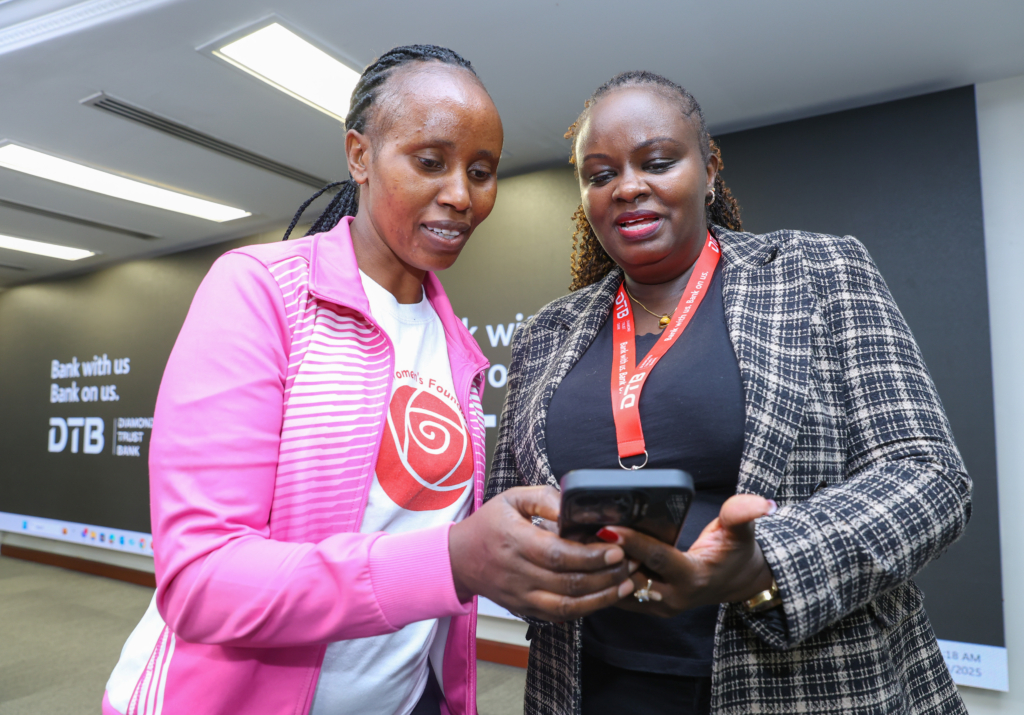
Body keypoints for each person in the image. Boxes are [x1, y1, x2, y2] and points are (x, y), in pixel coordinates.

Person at [101, 46, 635, 715]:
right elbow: (203, 580)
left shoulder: (456, 346)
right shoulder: (261, 291)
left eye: (482, 171)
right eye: (430, 161)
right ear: (359, 156)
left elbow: (427, 559)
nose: (461, 196)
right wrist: (454, 559)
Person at [486, 70, 970, 715]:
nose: (627, 187)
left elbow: (929, 476)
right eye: (600, 175)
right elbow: (506, 500)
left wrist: (764, 567)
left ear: (709, 169)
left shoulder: (816, 273)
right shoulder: (547, 332)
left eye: (656, 162)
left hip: (808, 682)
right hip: (592, 683)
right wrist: (526, 564)